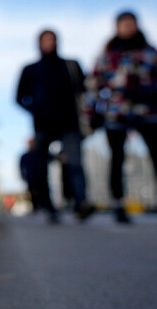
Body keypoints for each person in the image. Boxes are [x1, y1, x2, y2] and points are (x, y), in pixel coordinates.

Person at [86, 11, 157, 224]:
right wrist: (93, 112)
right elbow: (93, 85)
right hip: (116, 113)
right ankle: (118, 204)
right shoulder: (108, 55)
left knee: (156, 156)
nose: (127, 28)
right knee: (117, 158)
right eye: (123, 24)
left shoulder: (149, 52)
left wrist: (150, 93)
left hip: (147, 112)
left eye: (131, 24)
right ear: (117, 27)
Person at [17, 29, 96, 222]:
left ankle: (81, 203)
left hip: (69, 123)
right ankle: (50, 207)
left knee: (75, 163)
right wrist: (36, 110)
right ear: (39, 43)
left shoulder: (70, 65)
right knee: (42, 166)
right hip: (43, 125)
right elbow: (19, 97)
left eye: (52, 39)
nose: (49, 43)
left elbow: (85, 91)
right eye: (45, 40)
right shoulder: (30, 69)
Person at [20, 137, 53, 214]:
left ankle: (44, 206)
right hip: (30, 177)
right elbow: (21, 166)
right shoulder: (25, 156)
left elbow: (49, 158)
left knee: (42, 191)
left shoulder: (39, 153)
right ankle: (35, 207)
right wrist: (22, 175)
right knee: (32, 192)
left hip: (40, 177)